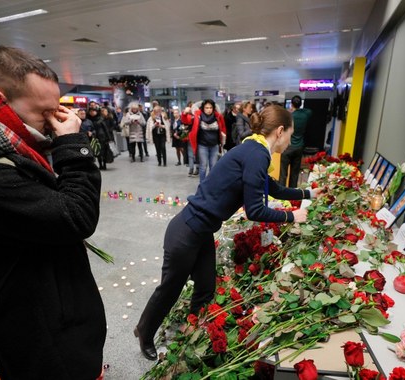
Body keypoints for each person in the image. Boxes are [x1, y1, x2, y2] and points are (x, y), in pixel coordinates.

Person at [0, 46, 106, 379]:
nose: (54, 122)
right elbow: (77, 216)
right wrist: (73, 145)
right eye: (45, 112)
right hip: (43, 340)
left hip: (51, 320)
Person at [135, 105, 318, 361]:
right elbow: (255, 209)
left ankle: (193, 333)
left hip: (201, 231)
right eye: (290, 133)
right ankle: (144, 331)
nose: (290, 140)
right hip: (186, 231)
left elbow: (273, 189)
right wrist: (291, 216)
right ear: (280, 131)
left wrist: (308, 193)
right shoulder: (257, 154)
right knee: (170, 289)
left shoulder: (253, 149)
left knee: (205, 288)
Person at [181, 99, 226, 182]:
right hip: (202, 146)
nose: (208, 109)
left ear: (213, 108)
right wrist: (184, 113)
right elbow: (185, 121)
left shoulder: (218, 117)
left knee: (213, 167)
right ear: (203, 108)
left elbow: (223, 128)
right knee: (203, 166)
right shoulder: (198, 116)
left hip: (214, 146)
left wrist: (222, 141)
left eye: (210, 108)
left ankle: (212, 185)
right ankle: (202, 186)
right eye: (206, 108)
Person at [279, 95, 312, 187]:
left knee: (283, 174)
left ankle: (281, 195)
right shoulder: (305, 114)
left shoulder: (289, 116)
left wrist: (292, 110)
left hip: (287, 147)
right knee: (294, 174)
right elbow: (309, 110)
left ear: (291, 104)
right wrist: (298, 108)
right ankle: (292, 196)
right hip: (299, 147)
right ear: (301, 104)